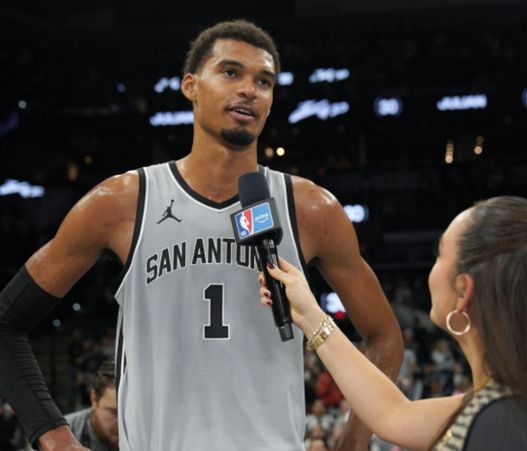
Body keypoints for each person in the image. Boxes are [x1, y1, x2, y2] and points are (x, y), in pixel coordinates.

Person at [0, 19, 403, 451]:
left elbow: (385, 337)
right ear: (190, 85)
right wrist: (56, 439)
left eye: (264, 81)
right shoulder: (121, 202)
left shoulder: (311, 210)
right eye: (231, 72)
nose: (249, 90)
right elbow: (7, 322)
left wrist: (353, 443)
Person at [259, 196, 527, 450]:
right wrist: (310, 315)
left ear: (463, 290)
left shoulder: (505, 422)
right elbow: (393, 415)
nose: (431, 269)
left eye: (439, 254)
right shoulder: (522, 401)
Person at [64, 361, 118, 451]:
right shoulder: (63, 433)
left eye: (130, 416)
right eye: (114, 413)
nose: (122, 425)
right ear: (94, 399)